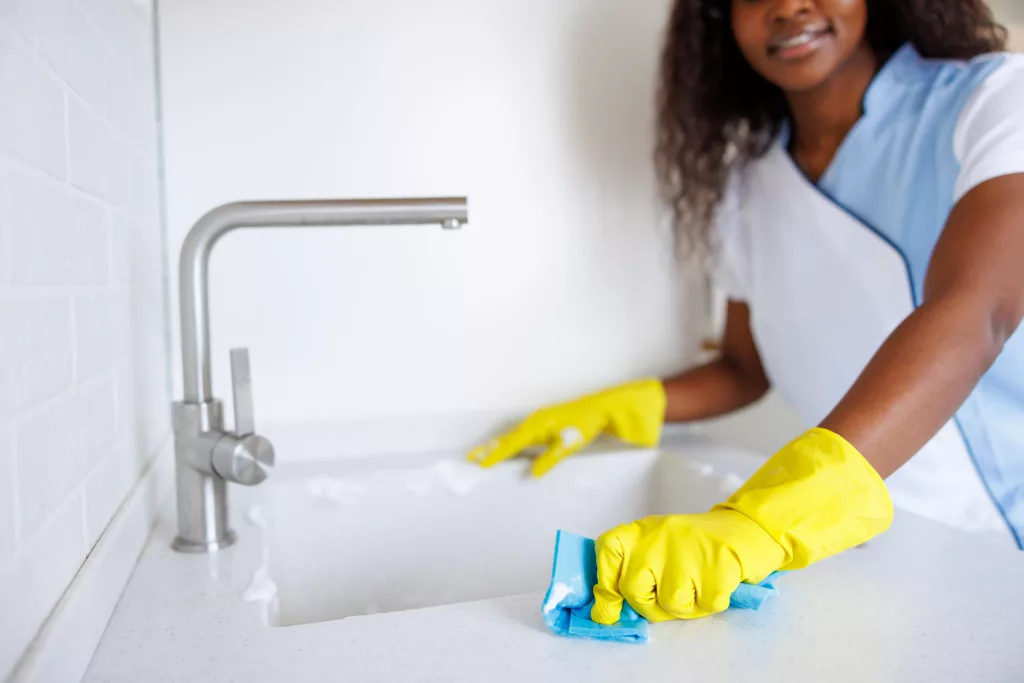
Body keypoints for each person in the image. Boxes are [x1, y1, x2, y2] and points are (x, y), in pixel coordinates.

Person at [467, 0, 1024, 625]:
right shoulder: (749, 184)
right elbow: (742, 365)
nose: (788, 6)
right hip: (862, 547)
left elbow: (979, 309)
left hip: (1000, 536)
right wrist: (628, 405)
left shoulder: (996, 99)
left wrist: (767, 516)